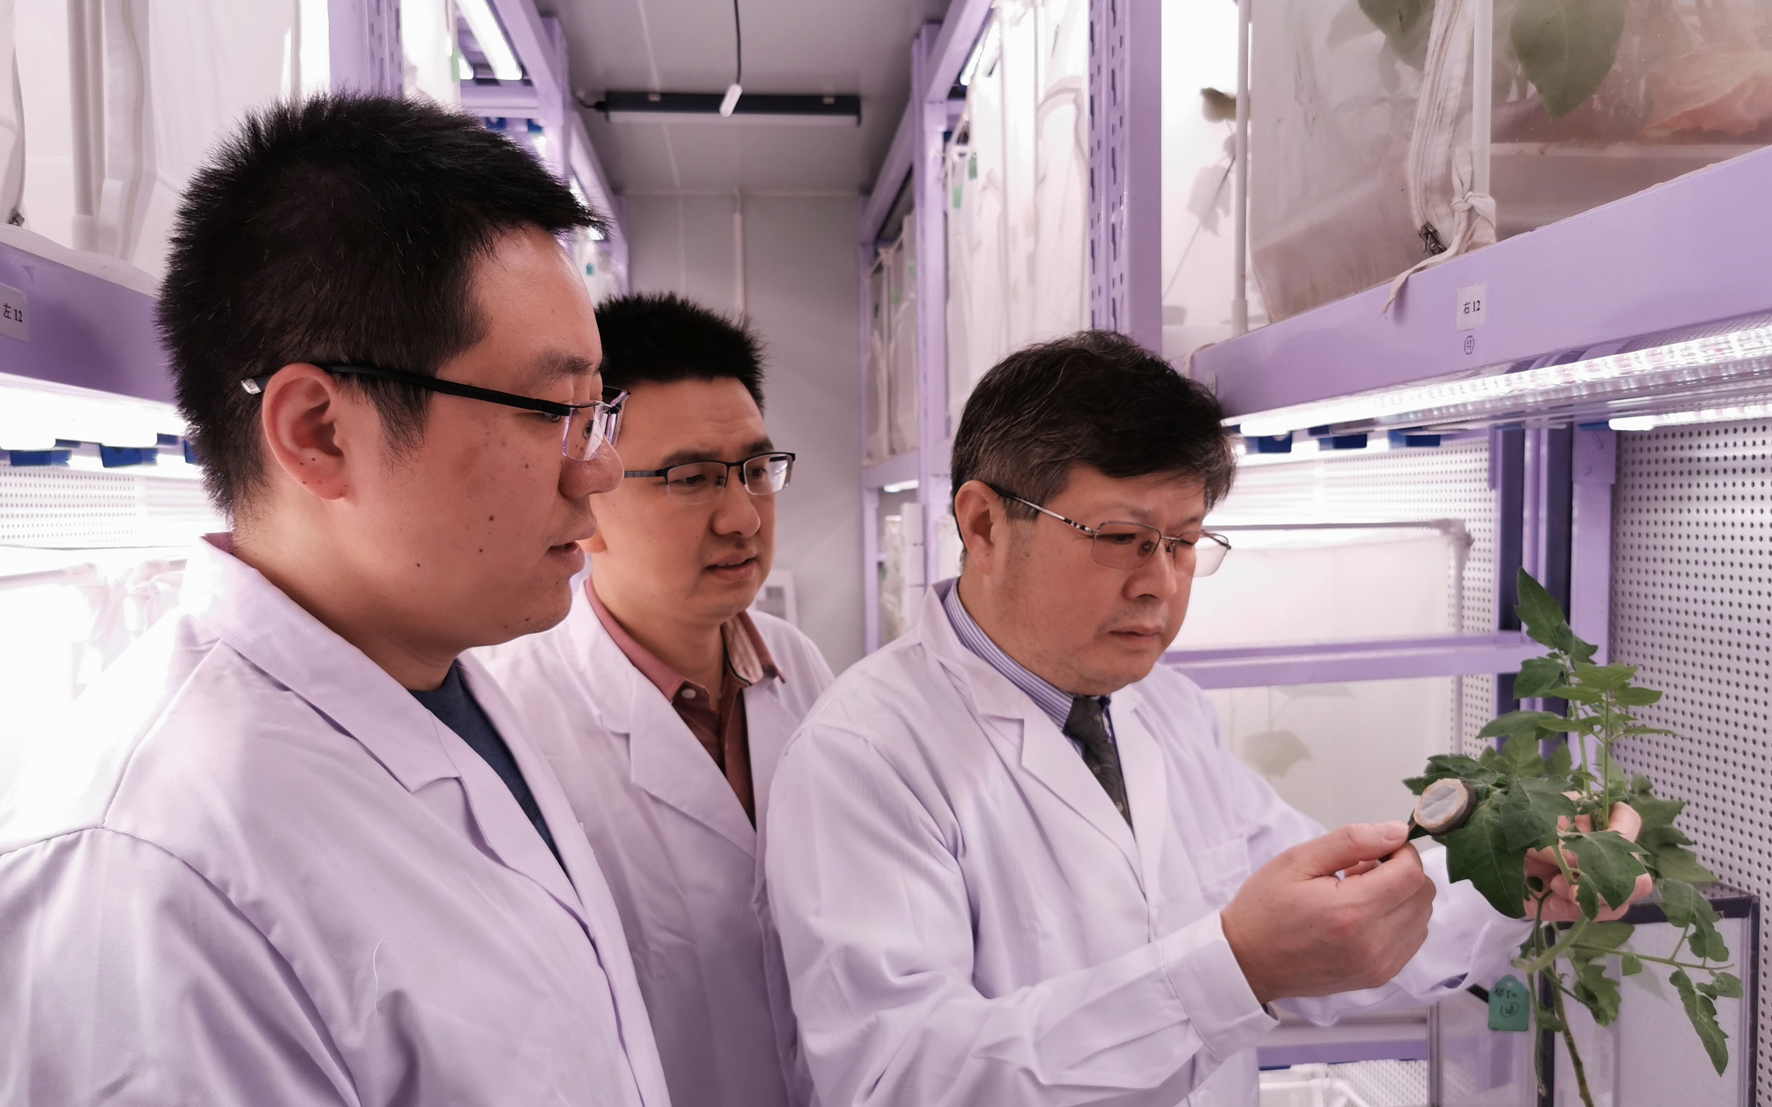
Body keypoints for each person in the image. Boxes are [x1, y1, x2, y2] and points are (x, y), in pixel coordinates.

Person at [763, 331, 1649, 1107]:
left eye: (1185, 542)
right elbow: (900, 1082)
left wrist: (1511, 888)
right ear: (984, 524)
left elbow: (1327, 926)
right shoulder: (864, 756)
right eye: (1120, 538)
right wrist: (1232, 969)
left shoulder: (1162, 708)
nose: (1159, 583)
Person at [0, 96, 669, 1106]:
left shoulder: (440, 675)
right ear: (318, 432)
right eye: (550, 410)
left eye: (594, 410)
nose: (601, 469)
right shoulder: (151, 878)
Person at [484, 292, 833, 1107]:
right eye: (691, 479)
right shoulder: (513, 718)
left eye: (755, 471)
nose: (742, 517)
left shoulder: (801, 668)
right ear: (588, 495)